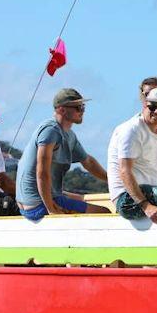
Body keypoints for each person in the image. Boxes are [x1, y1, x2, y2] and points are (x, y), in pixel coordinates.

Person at [16, 88, 109, 219]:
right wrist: (51, 209)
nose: (82, 111)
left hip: (42, 198)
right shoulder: (50, 130)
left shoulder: (69, 135)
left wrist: (112, 180)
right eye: (78, 107)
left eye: (83, 106)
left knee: (80, 199)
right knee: (104, 213)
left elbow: (88, 162)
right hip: (36, 204)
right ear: (61, 110)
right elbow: (42, 172)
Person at [108, 88, 157, 227]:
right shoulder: (132, 130)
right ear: (144, 106)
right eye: (152, 107)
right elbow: (125, 171)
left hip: (151, 195)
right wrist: (146, 206)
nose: (156, 111)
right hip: (128, 199)